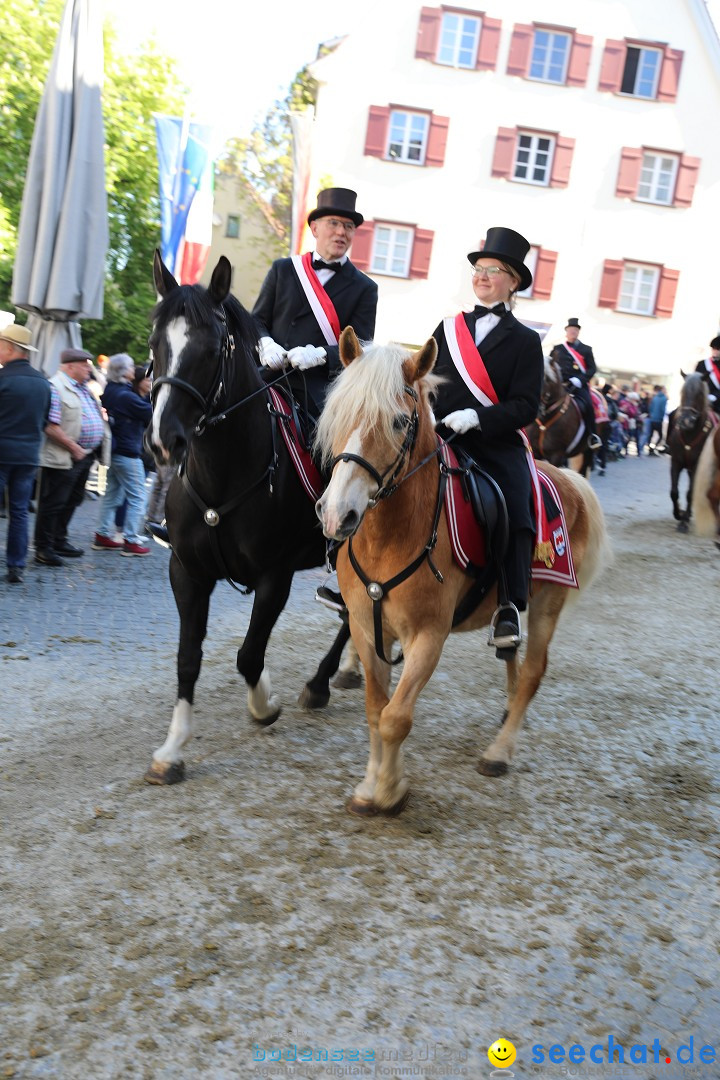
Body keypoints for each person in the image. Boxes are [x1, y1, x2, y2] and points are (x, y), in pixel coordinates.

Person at [430, 227, 544, 656]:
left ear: (512, 281)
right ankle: (347, 577)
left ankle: (510, 606)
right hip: (442, 435)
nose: (481, 276)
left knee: (517, 505)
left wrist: (478, 417)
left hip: (494, 443)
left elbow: (525, 406)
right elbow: (427, 379)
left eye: (492, 270)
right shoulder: (447, 327)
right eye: (478, 269)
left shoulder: (527, 340)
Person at [252, 187, 378, 413]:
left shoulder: (365, 288)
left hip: (317, 392)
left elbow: (359, 349)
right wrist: (265, 344)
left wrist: (320, 355)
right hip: (267, 376)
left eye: (349, 226)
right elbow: (256, 321)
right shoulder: (283, 269)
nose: (341, 232)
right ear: (315, 228)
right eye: (334, 223)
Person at [34, 349, 106, 566]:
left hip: (84, 455)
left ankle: (59, 540)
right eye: (85, 364)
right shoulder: (56, 387)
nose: (88, 369)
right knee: (53, 503)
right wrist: (74, 448)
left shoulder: (82, 388)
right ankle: (43, 548)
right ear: (70, 366)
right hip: (64, 456)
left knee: (72, 500)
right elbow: (50, 426)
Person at [0, 323, 51, 583]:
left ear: (10, 349)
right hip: (29, 454)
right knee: (19, 512)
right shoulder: (42, 382)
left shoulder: (3, 379)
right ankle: (16, 566)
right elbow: (45, 420)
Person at [92, 354, 153, 556]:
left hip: (116, 450)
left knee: (112, 495)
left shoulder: (112, 389)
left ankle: (102, 535)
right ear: (121, 370)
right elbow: (150, 413)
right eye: (129, 366)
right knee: (138, 496)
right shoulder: (125, 395)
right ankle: (131, 540)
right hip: (127, 451)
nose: (132, 369)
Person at [550, 318, 601, 449]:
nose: (573, 332)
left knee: (589, 406)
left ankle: (592, 436)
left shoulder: (586, 349)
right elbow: (550, 365)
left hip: (578, 385)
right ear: (566, 332)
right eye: (571, 330)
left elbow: (592, 368)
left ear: (578, 332)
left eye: (576, 330)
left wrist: (580, 380)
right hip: (560, 385)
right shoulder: (558, 348)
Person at [694, 335, 720, 416]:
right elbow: (696, 382)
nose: (714, 351)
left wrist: (714, 397)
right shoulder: (702, 364)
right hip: (702, 400)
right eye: (713, 349)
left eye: (718, 349)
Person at [646, 385, 668, 454]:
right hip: (658, 419)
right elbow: (662, 409)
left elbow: (650, 408)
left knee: (651, 434)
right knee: (660, 436)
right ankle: (653, 448)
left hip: (652, 418)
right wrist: (661, 417)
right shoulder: (664, 398)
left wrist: (651, 415)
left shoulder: (655, 397)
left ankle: (650, 448)